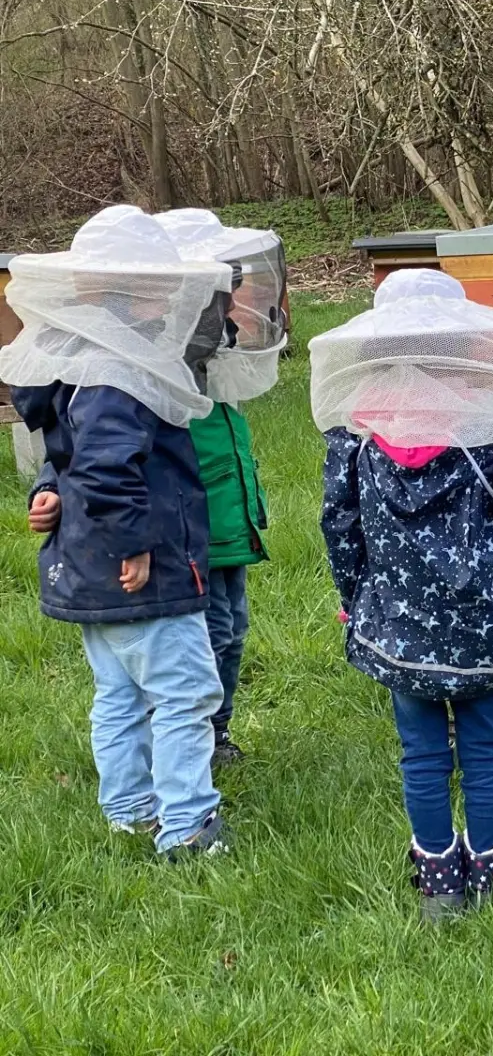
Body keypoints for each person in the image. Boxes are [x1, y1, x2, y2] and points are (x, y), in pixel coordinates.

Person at [311, 269, 493, 922]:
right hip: (480, 625)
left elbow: (339, 522)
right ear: (464, 343)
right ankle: (491, 872)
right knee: (482, 747)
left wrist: (353, 593)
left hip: (396, 624)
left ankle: (440, 881)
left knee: (420, 752)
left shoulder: (355, 431)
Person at [0, 205, 233, 859]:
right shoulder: (121, 365)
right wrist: (132, 543)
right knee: (186, 695)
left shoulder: (78, 358)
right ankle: (188, 826)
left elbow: (70, 453)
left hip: (88, 566)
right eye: (155, 281)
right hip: (142, 564)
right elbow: (104, 464)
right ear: (127, 288)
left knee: (121, 692)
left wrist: (47, 489)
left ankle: (130, 809)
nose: (168, 294)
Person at [156, 209, 286, 766]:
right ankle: (192, 738)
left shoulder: (215, 364)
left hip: (226, 522)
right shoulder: (158, 375)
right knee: (206, 637)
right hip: (190, 530)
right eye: (219, 296)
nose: (229, 309)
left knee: (231, 631)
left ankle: (217, 733)